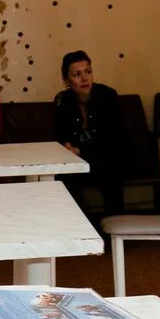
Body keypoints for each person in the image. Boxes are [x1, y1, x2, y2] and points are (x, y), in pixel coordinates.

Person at [52, 50, 124, 218]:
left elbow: (114, 139)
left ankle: (115, 233)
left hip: (107, 157)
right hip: (77, 161)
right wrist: (68, 147)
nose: (84, 79)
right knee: (65, 175)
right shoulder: (62, 100)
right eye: (77, 75)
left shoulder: (108, 96)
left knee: (112, 170)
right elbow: (60, 136)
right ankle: (76, 229)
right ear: (67, 80)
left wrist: (82, 150)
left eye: (88, 72)